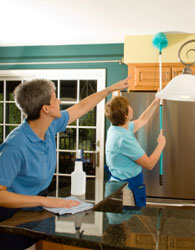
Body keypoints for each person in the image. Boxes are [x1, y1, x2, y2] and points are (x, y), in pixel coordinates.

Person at [0, 77, 129, 249]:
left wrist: (108, 90)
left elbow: (81, 107)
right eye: (55, 99)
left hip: (36, 209)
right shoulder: (15, 146)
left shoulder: (50, 125)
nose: (60, 101)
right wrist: (43, 201)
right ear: (45, 109)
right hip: (10, 217)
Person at [105, 95, 166, 207]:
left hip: (120, 184)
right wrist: (161, 145)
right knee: (125, 223)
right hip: (124, 190)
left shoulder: (117, 127)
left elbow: (142, 120)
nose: (131, 107)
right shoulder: (123, 139)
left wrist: (156, 101)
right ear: (126, 115)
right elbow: (149, 164)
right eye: (129, 106)